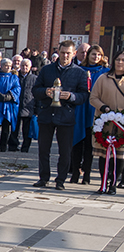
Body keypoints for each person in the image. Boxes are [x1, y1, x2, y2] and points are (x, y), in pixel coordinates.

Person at [32, 40, 90, 190]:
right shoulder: (47, 70)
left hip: (66, 115)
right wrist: (45, 92)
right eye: (62, 52)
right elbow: (35, 90)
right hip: (47, 113)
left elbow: (84, 95)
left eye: (68, 53)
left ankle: (60, 180)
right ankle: (43, 178)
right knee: (43, 149)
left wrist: (70, 96)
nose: (65, 56)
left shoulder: (79, 72)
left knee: (65, 151)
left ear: (74, 54)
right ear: (58, 51)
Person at [72, 45, 109, 184]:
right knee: (77, 143)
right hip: (80, 109)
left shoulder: (105, 72)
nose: (96, 57)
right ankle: (75, 172)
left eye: (98, 55)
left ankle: (87, 174)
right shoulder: (79, 70)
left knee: (90, 144)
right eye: (93, 54)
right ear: (88, 55)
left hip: (95, 110)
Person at [89, 48, 124, 194]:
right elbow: (93, 98)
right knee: (104, 155)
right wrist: (104, 108)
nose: (120, 63)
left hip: (122, 125)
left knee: (120, 155)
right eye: (117, 60)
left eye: (123, 60)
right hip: (105, 124)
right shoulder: (103, 78)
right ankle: (103, 183)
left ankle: (113, 184)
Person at [0, 57, 21, 152]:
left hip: (8, 106)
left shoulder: (13, 77)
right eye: (6, 66)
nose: (8, 68)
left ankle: (3, 146)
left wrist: (10, 95)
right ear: (1, 66)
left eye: (9, 66)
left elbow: (17, 88)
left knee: (6, 127)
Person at [14, 58, 37, 153]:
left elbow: (36, 94)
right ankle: (13, 145)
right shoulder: (15, 76)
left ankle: (25, 147)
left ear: (30, 67)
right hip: (17, 106)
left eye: (26, 66)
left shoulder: (34, 78)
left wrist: (37, 109)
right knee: (15, 128)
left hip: (29, 106)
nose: (24, 67)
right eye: (22, 65)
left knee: (27, 130)